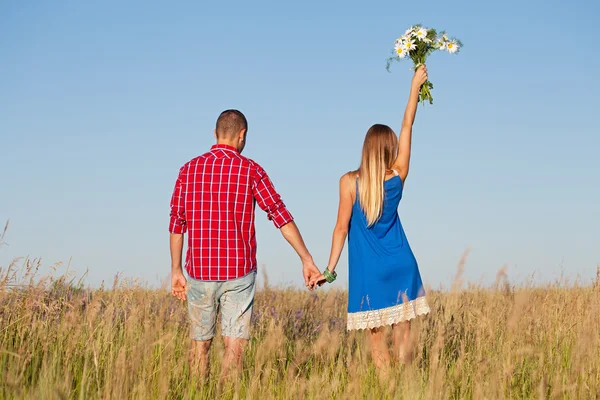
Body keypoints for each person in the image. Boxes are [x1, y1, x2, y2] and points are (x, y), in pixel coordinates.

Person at [169, 110, 321, 381]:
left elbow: (177, 224)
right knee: (234, 348)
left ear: (215, 134)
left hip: (200, 273)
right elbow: (279, 214)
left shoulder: (188, 170)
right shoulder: (251, 169)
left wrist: (176, 270)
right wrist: (306, 258)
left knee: (200, 346)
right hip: (238, 272)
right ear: (242, 136)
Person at [311, 66, 431, 370]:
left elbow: (340, 229)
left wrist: (330, 270)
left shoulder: (349, 181)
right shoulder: (399, 175)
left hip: (370, 273)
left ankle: (387, 390)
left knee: (377, 343)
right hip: (402, 265)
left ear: (365, 149)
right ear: (390, 149)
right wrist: (414, 87)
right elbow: (408, 124)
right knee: (403, 338)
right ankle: (406, 388)